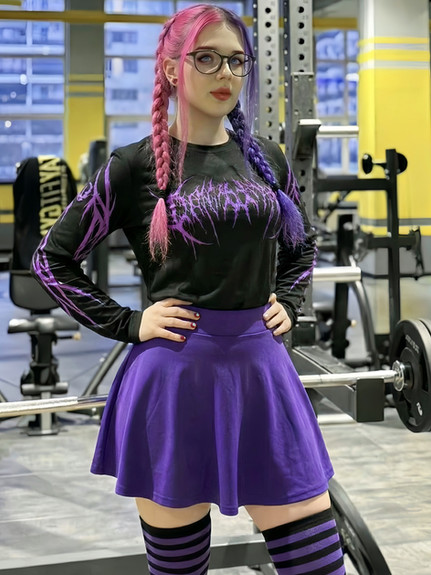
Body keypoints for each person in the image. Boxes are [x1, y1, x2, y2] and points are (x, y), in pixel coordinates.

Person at [31, 4, 345, 574]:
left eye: (237, 61)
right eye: (207, 58)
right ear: (173, 69)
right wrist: (129, 323)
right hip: (174, 381)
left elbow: (302, 245)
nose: (225, 73)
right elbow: (50, 259)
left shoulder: (268, 159)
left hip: (263, 372)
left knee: (318, 563)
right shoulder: (133, 167)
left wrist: (290, 302)